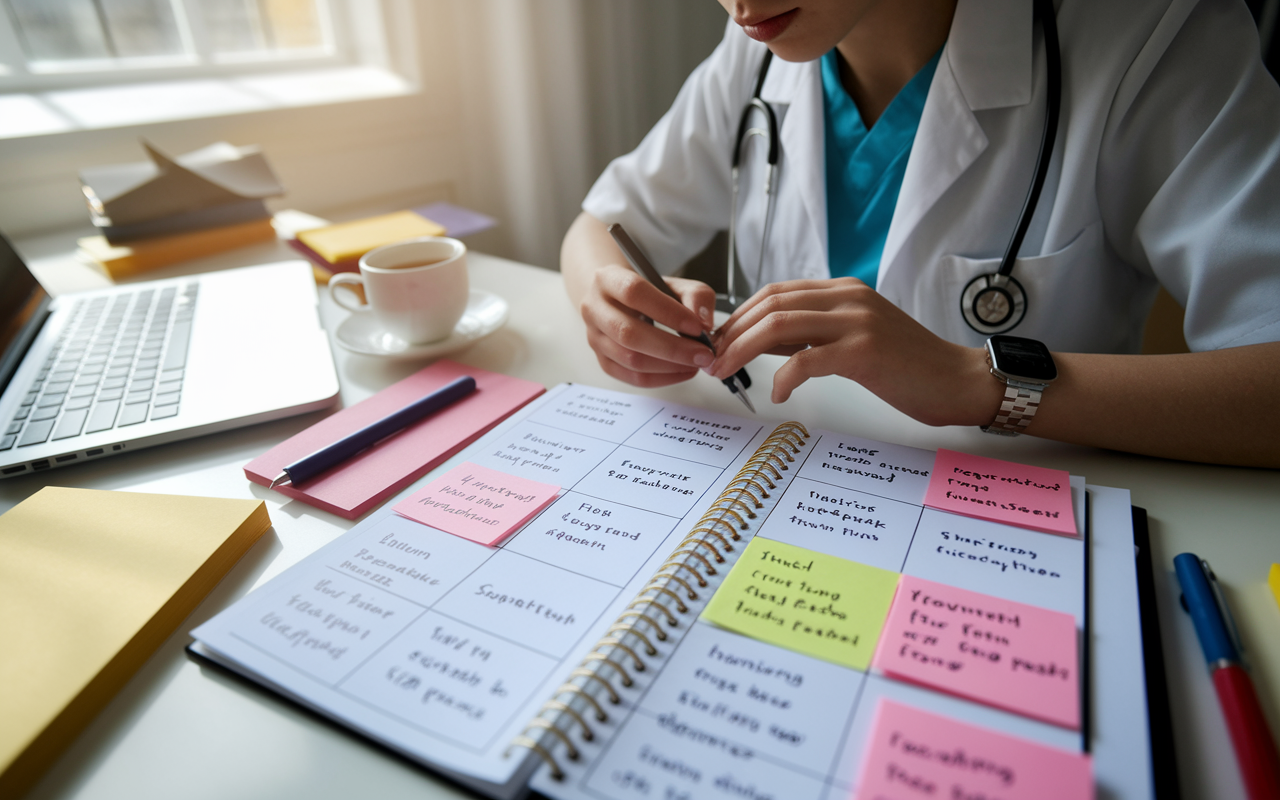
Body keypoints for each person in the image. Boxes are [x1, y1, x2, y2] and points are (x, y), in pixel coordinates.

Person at [561, 0, 1280, 468]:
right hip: (794, 498)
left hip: (1013, 538)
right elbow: (604, 224)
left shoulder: (1152, 36)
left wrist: (977, 383)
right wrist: (611, 304)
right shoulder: (758, 46)